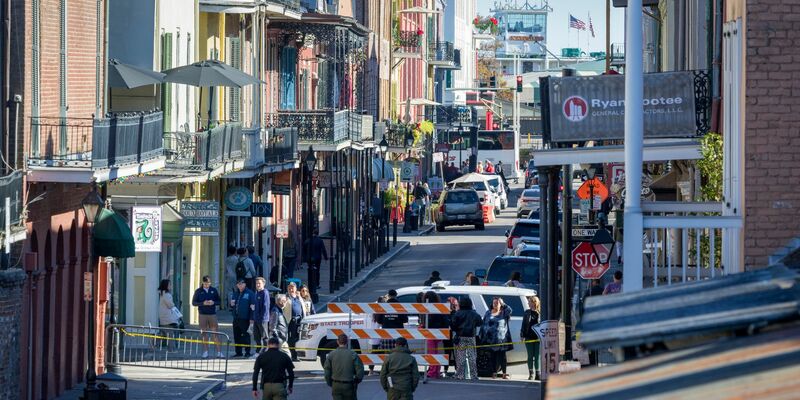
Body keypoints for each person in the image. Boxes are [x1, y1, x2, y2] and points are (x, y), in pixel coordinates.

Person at [324, 334, 365, 400]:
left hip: (335, 385)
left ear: (337, 342)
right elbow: (360, 371)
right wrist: (356, 381)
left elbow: (327, 372)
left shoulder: (331, 355)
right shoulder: (353, 354)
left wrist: (330, 383)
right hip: (349, 385)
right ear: (347, 342)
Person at [480, 297, 513, 379]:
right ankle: (494, 372)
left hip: (501, 339)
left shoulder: (504, 312)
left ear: (500, 304)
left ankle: (504, 373)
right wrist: (482, 334)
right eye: (494, 303)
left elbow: (510, 310)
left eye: (497, 303)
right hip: (490, 339)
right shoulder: (488, 312)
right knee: (492, 356)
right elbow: (484, 323)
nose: (495, 304)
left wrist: (503, 303)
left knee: (502, 357)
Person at [450, 297, 482, 380]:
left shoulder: (458, 313)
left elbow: (453, 325)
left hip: (460, 336)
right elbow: (480, 323)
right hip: (471, 337)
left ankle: (460, 375)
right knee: (472, 356)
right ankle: (474, 375)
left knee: (461, 356)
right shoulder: (474, 313)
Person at [192, 276, 223, 359]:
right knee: (204, 333)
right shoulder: (198, 291)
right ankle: (205, 352)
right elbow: (194, 303)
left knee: (215, 333)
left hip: (212, 314)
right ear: (203, 283)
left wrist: (213, 302)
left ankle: (219, 352)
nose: (207, 285)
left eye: (208, 283)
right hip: (202, 314)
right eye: (205, 284)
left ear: (210, 283)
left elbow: (219, 301)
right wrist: (203, 303)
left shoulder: (214, 290)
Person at [423, 291, 448, 379]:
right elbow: (445, 321)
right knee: (436, 352)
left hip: (431, 333)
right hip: (439, 333)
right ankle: (436, 371)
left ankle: (433, 372)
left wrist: (422, 326)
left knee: (431, 353)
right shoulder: (440, 307)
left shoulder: (429, 308)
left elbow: (428, 322)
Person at [231, 279, 255, 358]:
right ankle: (238, 352)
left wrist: (251, 319)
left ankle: (247, 352)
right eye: (238, 284)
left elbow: (253, 307)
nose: (240, 285)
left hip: (245, 319)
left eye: (241, 284)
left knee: (246, 336)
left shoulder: (250, 293)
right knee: (236, 336)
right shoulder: (235, 293)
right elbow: (232, 305)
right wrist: (231, 305)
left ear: (245, 284)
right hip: (236, 318)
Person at [521, 296, 540, 381]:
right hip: (529, 337)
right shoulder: (527, 312)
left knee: (537, 356)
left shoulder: (540, 312)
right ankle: (531, 374)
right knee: (530, 356)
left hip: (538, 338)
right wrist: (522, 335)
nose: (528, 303)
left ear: (534, 302)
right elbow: (523, 324)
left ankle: (538, 374)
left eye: (529, 302)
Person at [305, 229, 328, 296]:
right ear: (317, 233)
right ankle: (317, 284)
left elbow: (304, 247)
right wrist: (326, 257)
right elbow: (323, 249)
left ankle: (311, 283)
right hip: (317, 258)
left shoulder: (308, 240)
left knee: (310, 270)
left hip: (310, 258)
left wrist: (306, 255)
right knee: (317, 271)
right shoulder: (320, 240)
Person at [366, 296, 385, 376]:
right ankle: (383, 370)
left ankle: (371, 370)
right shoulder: (380, 308)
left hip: (374, 334)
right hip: (380, 333)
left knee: (374, 352)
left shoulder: (372, 307)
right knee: (384, 352)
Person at [252, 277, 271, 356]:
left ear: (263, 284)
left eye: (259, 283)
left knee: (264, 336)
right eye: (256, 283)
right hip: (256, 318)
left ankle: (266, 351)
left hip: (262, 319)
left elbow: (265, 307)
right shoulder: (257, 292)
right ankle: (258, 351)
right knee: (256, 336)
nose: (258, 285)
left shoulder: (265, 293)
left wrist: (262, 318)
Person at [286, 282, 304, 361]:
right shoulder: (286, 298)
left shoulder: (299, 298)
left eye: (292, 288)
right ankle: (293, 355)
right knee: (291, 339)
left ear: (296, 289)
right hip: (291, 321)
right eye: (289, 288)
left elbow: (304, 308)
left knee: (299, 338)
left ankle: (298, 354)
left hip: (300, 320)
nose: (291, 289)